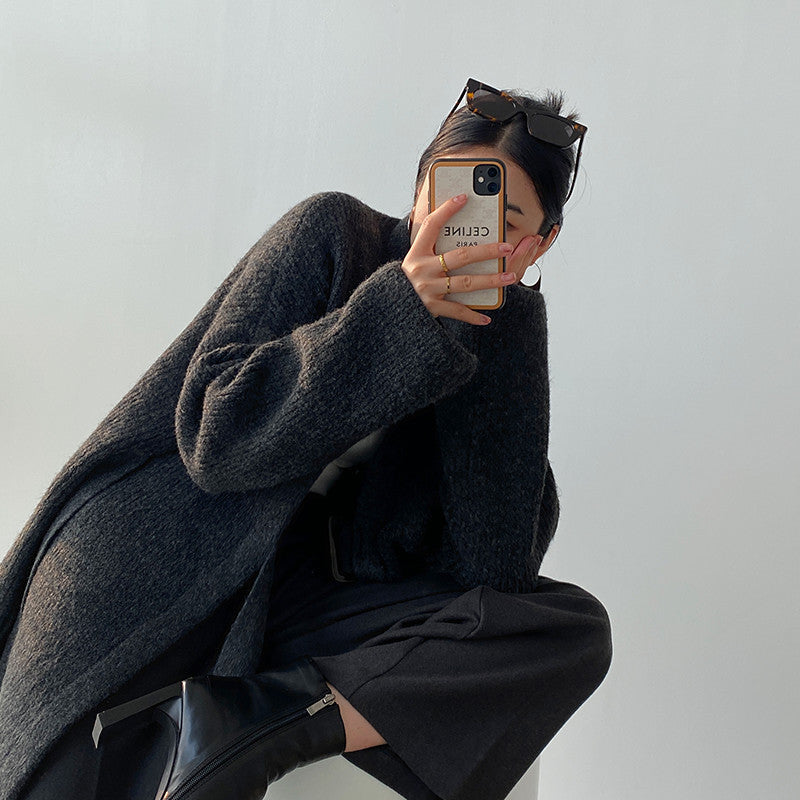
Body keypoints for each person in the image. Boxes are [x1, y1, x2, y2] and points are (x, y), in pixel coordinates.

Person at [0, 78, 611, 800]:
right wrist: (397, 313)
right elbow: (216, 439)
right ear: (420, 186)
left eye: (502, 221)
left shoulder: (503, 335)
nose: (465, 231)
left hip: (300, 593)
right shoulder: (332, 233)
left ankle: (254, 727)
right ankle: (243, 726)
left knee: (566, 629)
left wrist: (504, 330)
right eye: (450, 197)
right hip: (168, 554)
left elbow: (493, 572)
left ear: (543, 242)